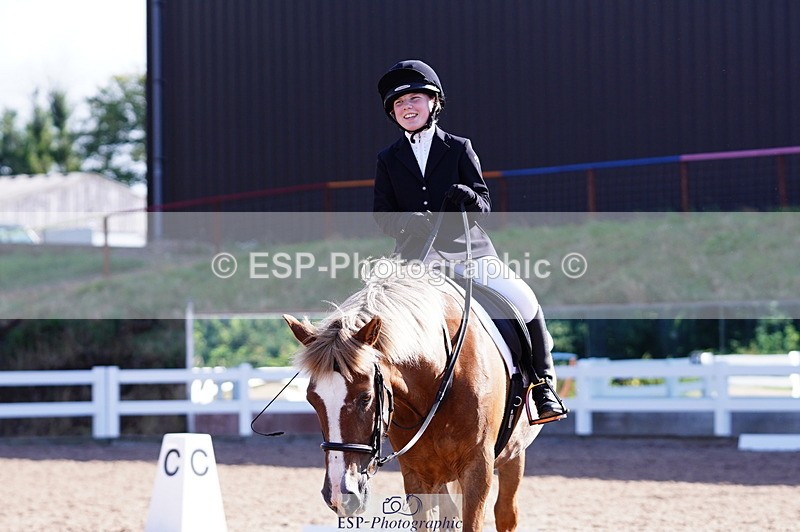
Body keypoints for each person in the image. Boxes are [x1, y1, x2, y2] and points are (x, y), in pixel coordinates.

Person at [372, 59, 567, 424]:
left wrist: (469, 197)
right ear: (392, 113)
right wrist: (407, 221)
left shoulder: (459, 148)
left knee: (524, 300)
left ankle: (542, 386)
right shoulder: (388, 159)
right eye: (399, 103)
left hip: (468, 254)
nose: (407, 107)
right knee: (373, 316)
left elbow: (484, 206)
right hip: (415, 261)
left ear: (434, 103)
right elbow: (382, 214)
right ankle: (375, 404)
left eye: (415, 98)